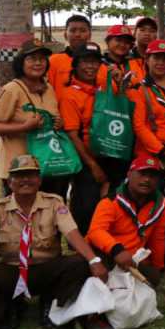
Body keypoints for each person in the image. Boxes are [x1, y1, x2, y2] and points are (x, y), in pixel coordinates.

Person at [0, 155, 112, 329]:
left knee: (80, 263)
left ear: (39, 179)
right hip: (12, 269)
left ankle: (51, 301)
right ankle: (8, 308)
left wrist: (94, 260)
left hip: (47, 268)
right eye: (19, 176)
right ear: (9, 182)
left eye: (30, 174)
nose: (25, 180)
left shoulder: (54, 202)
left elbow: (73, 234)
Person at [0, 39, 64, 195]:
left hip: (48, 166)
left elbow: (52, 119)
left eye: (42, 59)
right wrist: (24, 127)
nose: (38, 63)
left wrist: (58, 123)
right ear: (21, 63)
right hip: (18, 170)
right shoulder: (11, 89)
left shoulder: (49, 89)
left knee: (48, 215)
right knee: (19, 217)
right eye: (32, 59)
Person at [60, 43, 118, 233]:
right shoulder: (70, 95)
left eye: (95, 62)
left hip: (109, 155)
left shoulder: (104, 89)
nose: (90, 67)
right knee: (87, 205)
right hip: (86, 160)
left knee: (109, 204)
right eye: (85, 62)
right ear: (76, 65)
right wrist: (93, 166)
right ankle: (84, 248)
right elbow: (71, 134)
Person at [87, 156, 165, 287]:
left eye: (152, 176)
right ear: (129, 174)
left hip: (132, 259)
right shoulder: (110, 201)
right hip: (105, 254)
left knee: (154, 278)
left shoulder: (161, 203)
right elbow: (95, 232)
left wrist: (158, 266)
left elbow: (158, 236)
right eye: (142, 174)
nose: (147, 179)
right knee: (88, 272)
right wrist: (117, 250)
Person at [48, 15, 97, 94]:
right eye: (73, 30)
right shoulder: (53, 61)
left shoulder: (98, 62)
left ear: (90, 35)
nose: (77, 34)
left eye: (83, 30)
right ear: (65, 35)